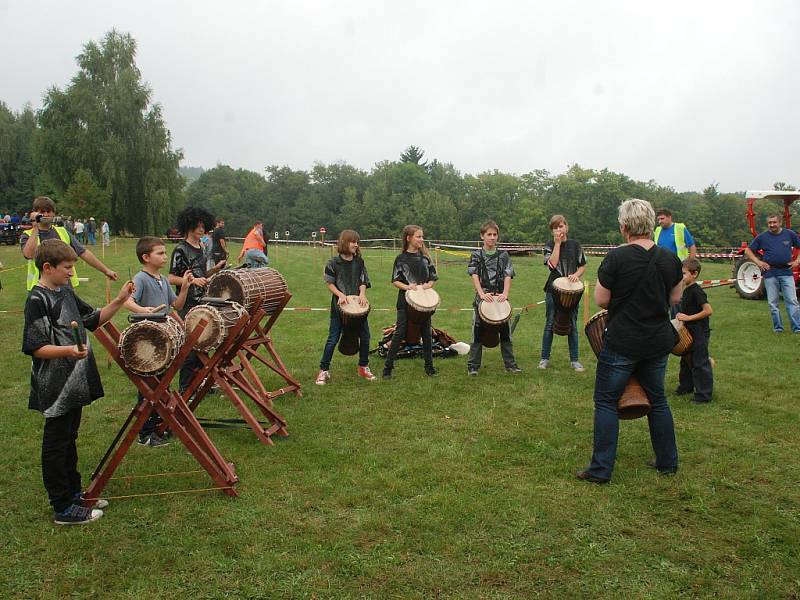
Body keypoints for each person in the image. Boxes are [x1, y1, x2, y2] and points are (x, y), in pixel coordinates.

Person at [23, 239, 133, 524]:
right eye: (67, 268)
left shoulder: (65, 292)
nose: (72, 273)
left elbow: (94, 319)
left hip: (75, 381)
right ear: (48, 267)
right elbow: (37, 347)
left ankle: (74, 494)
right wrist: (69, 351)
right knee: (57, 441)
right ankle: (62, 507)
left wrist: (120, 300)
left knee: (70, 437)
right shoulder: (37, 300)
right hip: (54, 385)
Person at [578, 198, 683, 484]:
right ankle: (667, 463)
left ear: (624, 227)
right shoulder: (670, 259)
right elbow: (675, 298)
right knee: (658, 400)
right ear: (650, 225)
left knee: (606, 401)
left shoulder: (616, 258)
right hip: (657, 341)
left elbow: (601, 299)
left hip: (623, 341)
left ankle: (600, 470)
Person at [125, 237, 194, 446]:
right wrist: (142, 310)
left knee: (160, 386)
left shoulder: (163, 280)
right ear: (146, 257)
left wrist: (184, 288)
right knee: (148, 389)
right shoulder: (140, 278)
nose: (165, 256)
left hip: (163, 342)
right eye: (160, 253)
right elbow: (127, 301)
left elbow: (176, 304)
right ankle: (145, 434)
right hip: (147, 344)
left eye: (165, 253)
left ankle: (157, 427)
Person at [169, 207, 225, 395]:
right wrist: (191, 280)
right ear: (189, 225)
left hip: (202, 300)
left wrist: (215, 269)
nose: (201, 229)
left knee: (204, 342)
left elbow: (202, 275)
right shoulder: (180, 249)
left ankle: (201, 383)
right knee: (190, 348)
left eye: (203, 226)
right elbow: (171, 278)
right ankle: (186, 388)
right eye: (198, 226)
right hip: (187, 303)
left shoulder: (201, 247)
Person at [315, 229, 376, 385]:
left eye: (357, 242)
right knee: (333, 339)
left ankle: (363, 367)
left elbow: (363, 281)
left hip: (358, 308)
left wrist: (362, 294)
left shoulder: (359, 262)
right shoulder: (333, 263)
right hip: (339, 308)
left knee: (366, 337)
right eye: (352, 241)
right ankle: (324, 370)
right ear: (344, 242)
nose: (356, 245)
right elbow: (330, 283)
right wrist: (340, 295)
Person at [21, 197, 117, 291]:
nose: (46, 214)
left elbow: (83, 253)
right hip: (40, 289)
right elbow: (29, 255)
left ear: (54, 213)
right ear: (35, 214)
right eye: (42, 212)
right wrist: (35, 227)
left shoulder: (62, 231)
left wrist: (106, 270)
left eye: (49, 211)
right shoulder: (28, 235)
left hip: (65, 288)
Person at [382, 225, 438, 379]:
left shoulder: (425, 258)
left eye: (422, 236)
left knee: (426, 335)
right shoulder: (401, 259)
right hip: (404, 302)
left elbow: (432, 278)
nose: (421, 239)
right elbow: (395, 280)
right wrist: (408, 287)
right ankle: (388, 368)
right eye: (418, 236)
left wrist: (428, 285)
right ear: (408, 238)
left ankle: (429, 367)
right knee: (399, 333)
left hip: (424, 303)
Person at [466, 220, 521, 375]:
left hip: (500, 298)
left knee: (505, 333)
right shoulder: (476, 255)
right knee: (477, 332)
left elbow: (508, 275)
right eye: (488, 234)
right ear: (482, 236)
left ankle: (510, 365)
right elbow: (474, 275)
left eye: (494, 234)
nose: (492, 237)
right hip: (483, 299)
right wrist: (482, 294)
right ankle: (473, 366)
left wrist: (505, 294)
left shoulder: (503, 255)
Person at [539, 215, 587, 372]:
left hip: (572, 291)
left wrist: (576, 275)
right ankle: (544, 358)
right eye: (555, 227)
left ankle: (575, 360)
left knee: (572, 325)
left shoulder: (575, 245)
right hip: (553, 291)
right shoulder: (549, 245)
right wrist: (557, 244)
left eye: (561, 226)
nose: (559, 229)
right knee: (550, 324)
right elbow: (552, 265)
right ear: (552, 231)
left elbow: (582, 266)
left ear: (567, 227)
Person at [743, 213, 800, 333]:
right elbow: (748, 250)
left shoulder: (790, 234)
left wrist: (797, 261)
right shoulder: (762, 237)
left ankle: (797, 328)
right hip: (770, 273)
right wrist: (759, 262)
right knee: (773, 303)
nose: (772, 225)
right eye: (770, 223)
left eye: (774, 222)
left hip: (786, 272)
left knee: (792, 301)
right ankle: (778, 328)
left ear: (780, 223)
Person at [675, 257, 714, 404]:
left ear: (694, 274)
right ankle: (686, 386)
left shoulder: (697, 291)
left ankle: (703, 395)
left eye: (684, 273)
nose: (681, 276)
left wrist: (689, 318)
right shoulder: (686, 290)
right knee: (686, 360)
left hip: (699, 332)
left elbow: (708, 310)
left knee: (700, 362)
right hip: (689, 331)